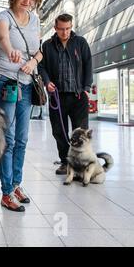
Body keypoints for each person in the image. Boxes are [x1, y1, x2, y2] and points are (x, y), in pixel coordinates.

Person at [0, 0, 44, 212]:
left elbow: (39, 51)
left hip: (26, 82)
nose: (28, 1)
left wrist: (33, 62)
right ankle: (5, 192)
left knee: (22, 139)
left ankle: (16, 184)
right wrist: (10, 50)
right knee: (8, 139)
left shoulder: (35, 19)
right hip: (5, 82)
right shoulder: (5, 16)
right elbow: (3, 36)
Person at [38, 13, 92, 175]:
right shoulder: (47, 46)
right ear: (55, 28)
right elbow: (41, 67)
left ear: (71, 26)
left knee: (81, 132)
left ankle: (81, 164)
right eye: (61, 29)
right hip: (57, 97)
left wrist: (86, 88)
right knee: (58, 131)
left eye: (68, 28)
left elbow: (88, 64)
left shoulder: (80, 42)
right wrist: (47, 82)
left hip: (78, 96)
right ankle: (65, 162)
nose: (65, 32)